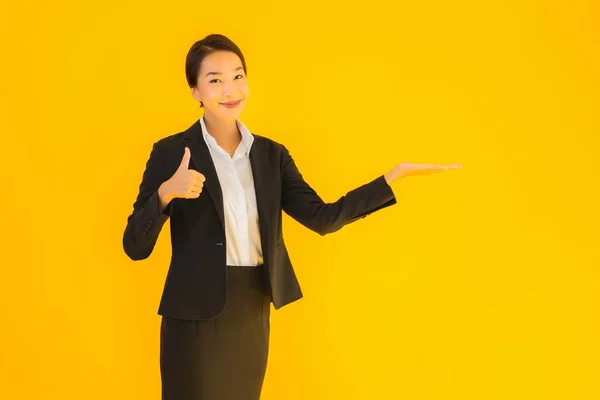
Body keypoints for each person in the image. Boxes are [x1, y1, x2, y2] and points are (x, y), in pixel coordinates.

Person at [122, 33, 461, 400]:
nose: (230, 89)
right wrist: (165, 193)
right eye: (215, 80)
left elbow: (323, 218)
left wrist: (391, 178)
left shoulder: (271, 155)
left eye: (238, 76)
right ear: (195, 91)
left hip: (251, 309)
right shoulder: (172, 151)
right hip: (193, 317)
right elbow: (134, 246)